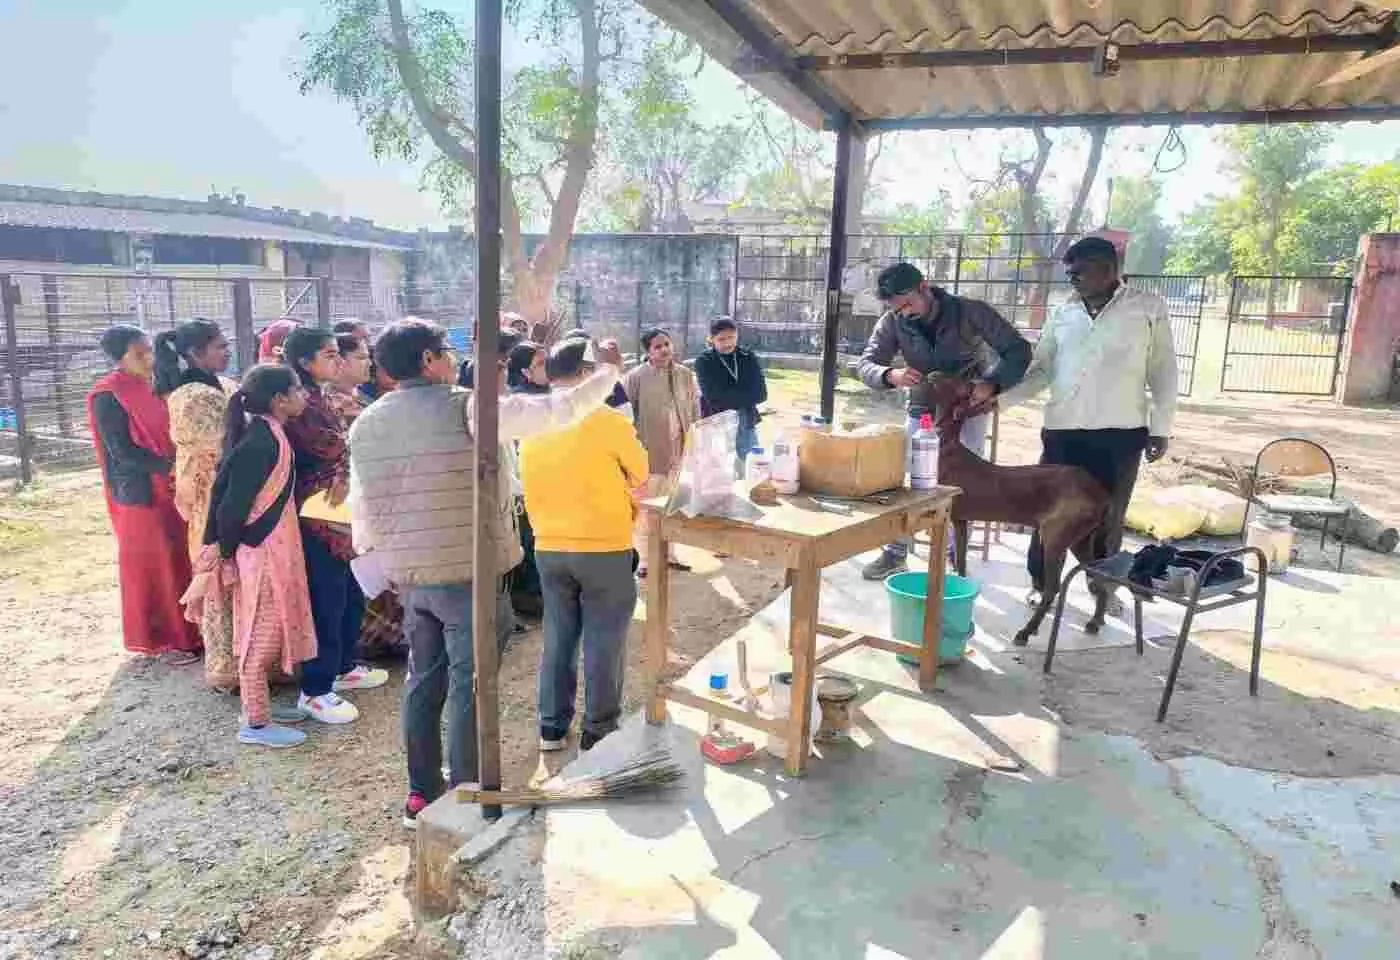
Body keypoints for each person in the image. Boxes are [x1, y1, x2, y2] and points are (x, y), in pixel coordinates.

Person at [347, 319, 621, 827]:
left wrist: (386, 563)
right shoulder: (466, 408)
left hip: (412, 576)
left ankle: (420, 794)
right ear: (428, 360)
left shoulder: (366, 422)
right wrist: (607, 373)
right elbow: (558, 410)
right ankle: (467, 792)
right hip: (467, 573)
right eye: (445, 351)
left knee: (423, 681)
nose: (453, 359)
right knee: (470, 682)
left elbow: (359, 505)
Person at [1000, 236, 1178, 607]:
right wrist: (998, 403)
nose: (1072, 279)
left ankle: (1103, 590)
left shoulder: (1147, 308)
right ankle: (1042, 584)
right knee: (1049, 510)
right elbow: (1042, 369)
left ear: (1108, 269)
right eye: (1069, 272)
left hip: (1120, 434)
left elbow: (1163, 371)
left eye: (1079, 271)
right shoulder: (1063, 312)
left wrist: (1161, 428)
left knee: (1108, 518)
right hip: (1063, 431)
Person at [857, 262, 1033, 580]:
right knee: (909, 480)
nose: (904, 313)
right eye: (896, 308)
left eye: (908, 303)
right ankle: (895, 552)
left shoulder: (970, 311)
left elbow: (1018, 350)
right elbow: (866, 364)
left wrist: (992, 384)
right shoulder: (893, 321)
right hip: (922, 408)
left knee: (961, 484)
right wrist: (890, 374)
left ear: (924, 286)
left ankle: (954, 553)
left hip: (968, 409)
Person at [520, 339, 648, 754]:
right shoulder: (606, 419)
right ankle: (599, 729)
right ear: (589, 373)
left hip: (548, 547)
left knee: (558, 637)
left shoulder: (532, 420)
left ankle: (551, 727)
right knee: (603, 639)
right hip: (604, 545)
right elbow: (642, 472)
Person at [185, 365, 318, 748]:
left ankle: (259, 710)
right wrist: (225, 551)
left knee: (268, 630)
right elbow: (229, 505)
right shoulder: (260, 442)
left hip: (273, 550)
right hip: (262, 555)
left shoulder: (270, 434)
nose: (304, 395)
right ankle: (255, 723)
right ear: (279, 400)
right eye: (297, 389)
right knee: (260, 636)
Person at [282, 327, 387, 725]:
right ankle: (315, 690)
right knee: (325, 599)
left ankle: (342, 666)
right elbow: (330, 447)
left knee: (348, 591)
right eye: (329, 355)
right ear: (304, 362)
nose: (338, 361)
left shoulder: (320, 396)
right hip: (317, 513)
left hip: (338, 509)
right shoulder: (299, 404)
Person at [86, 325, 202, 662]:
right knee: (155, 566)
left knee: (181, 558)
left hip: (172, 485)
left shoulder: (154, 385)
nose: (148, 359)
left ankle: (190, 631)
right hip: (141, 493)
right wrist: (170, 466)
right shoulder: (108, 395)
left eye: (149, 351)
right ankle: (163, 639)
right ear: (119, 358)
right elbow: (121, 450)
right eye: (139, 354)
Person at [155, 319, 238, 690]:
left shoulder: (219, 385)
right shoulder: (193, 397)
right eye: (220, 346)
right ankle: (227, 666)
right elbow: (217, 449)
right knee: (219, 576)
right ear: (194, 353)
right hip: (213, 497)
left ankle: (253, 659)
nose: (227, 351)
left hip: (230, 491)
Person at [623, 327, 699, 576]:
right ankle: (644, 560)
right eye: (657, 346)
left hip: (680, 453)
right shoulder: (635, 377)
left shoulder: (685, 375)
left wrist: (695, 443)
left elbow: (695, 409)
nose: (664, 349)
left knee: (673, 505)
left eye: (667, 344)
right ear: (648, 352)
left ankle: (670, 555)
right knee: (647, 508)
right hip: (649, 455)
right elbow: (624, 417)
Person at [694, 316, 768, 470]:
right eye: (721, 339)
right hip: (717, 420)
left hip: (746, 419)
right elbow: (713, 398)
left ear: (737, 335)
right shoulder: (704, 361)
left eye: (732, 337)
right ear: (711, 339)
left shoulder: (748, 357)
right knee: (720, 468)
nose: (728, 343)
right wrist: (746, 395)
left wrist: (729, 395)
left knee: (749, 464)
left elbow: (761, 394)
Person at [326, 333, 373, 426]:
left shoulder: (365, 396)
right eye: (362, 358)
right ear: (338, 360)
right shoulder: (328, 405)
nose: (370, 363)